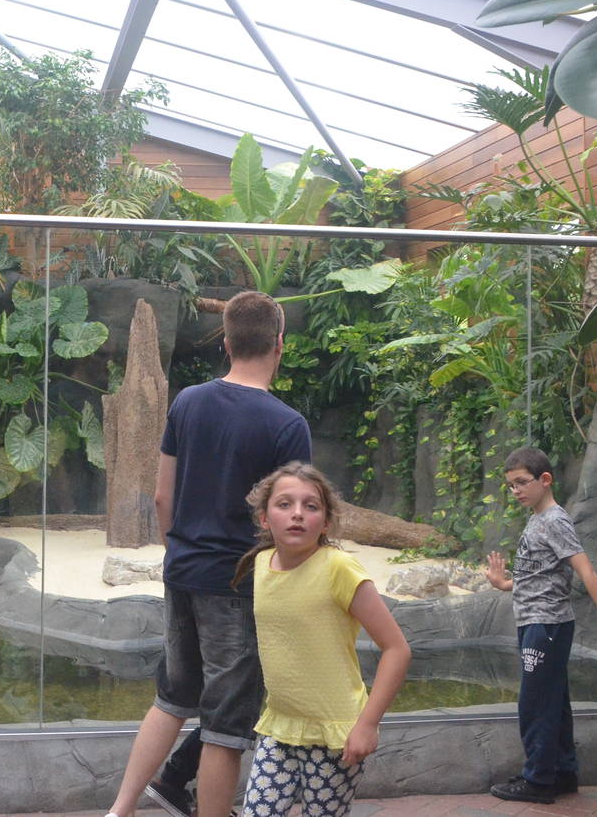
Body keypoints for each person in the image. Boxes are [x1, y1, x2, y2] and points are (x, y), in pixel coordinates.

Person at [103, 290, 311, 817]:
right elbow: (292, 523)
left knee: (171, 699)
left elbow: (162, 497)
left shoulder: (188, 403)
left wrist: (180, 552)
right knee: (225, 725)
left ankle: (120, 810)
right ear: (280, 343)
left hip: (183, 571)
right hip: (239, 583)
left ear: (226, 342)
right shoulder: (288, 424)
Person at [232, 462, 411, 817]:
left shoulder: (338, 568)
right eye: (285, 504)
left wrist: (367, 725)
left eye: (311, 506)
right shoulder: (263, 564)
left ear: (326, 522)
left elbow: (397, 649)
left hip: (334, 734)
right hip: (279, 727)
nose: (297, 513)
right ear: (265, 518)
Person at [484, 447, 597, 805]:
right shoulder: (537, 519)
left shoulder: (554, 520)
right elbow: (540, 574)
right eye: (511, 485)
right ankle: (562, 773)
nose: (516, 491)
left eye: (522, 482)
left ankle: (537, 781)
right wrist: (504, 584)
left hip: (546, 624)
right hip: (536, 622)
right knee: (554, 700)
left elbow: (586, 570)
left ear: (545, 479)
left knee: (535, 703)